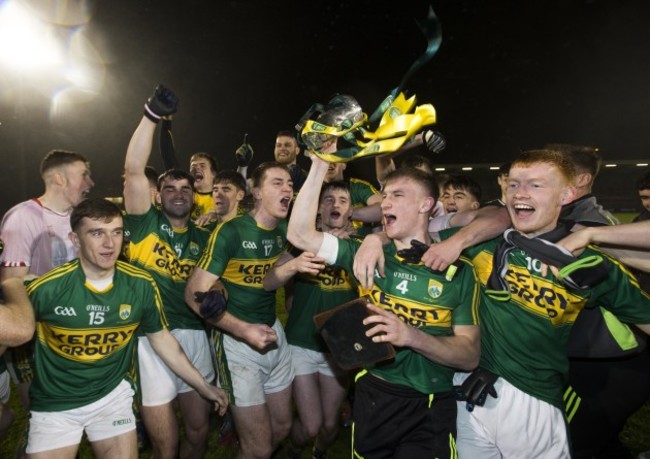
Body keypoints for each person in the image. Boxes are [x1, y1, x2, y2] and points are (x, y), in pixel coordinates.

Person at [445, 150, 650, 458]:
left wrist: (593, 236)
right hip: (472, 393)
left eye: (535, 185)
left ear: (566, 194)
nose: (520, 193)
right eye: (513, 184)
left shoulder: (590, 263)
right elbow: (412, 240)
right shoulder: (481, 245)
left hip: (536, 403)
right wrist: (372, 241)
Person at [287, 147, 480, 458]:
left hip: (428, 402)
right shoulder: (367, 253)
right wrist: (320, 165)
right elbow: (299, 235)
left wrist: (410, 336)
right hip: (373, 393)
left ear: (426, 205)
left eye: (398, 195)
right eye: (385, 195)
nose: (385, 202)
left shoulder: (458, 270)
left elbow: (469, 355)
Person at [23, 198, 227, 458]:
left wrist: (204, 386)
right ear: (75, 240)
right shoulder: (47, 289)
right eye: (97, 233)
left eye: (117, 232)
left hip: (112, 400)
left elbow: (162, 340)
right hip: (55, 407)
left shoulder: (140, 285)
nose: (110, 244)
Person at [123, 84, 216, 459]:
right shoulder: (143, 224)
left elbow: (218, 283)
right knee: (167, 444)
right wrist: (150, 116)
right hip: (150, 339)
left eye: (186, 188)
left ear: (194, 197)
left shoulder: (207, 237)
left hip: (194, 335)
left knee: (197, 432)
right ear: (157, 196)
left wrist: (217, 299)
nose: (179, 192)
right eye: (169, 187)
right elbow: (131, 170)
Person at [185, 161, 295, 459]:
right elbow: (193, 294)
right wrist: (242, 329)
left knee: (282, 428)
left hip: (273, 332)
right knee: (259, 448)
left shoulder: (284, 230)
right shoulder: (230, 232)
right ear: (256, 193)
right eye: (277, 183)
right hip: (236, 343)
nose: (287, 188)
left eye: (289, 183)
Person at [0, 149, 95, 449]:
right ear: (59, 178)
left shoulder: (77, 220)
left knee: (65, 416)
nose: (90, 182)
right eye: (83, 175)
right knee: (41, 415)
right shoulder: (25, 216)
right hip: (34, 337)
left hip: (70, 331)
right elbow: (11, 282)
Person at [264, 180, 357, 459]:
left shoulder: (360, 248)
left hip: (338, 348)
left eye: (342, 200)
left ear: (351, 211)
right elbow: (272, 278)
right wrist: (292, 265)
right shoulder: (299, 244)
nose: (335, 204)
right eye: (328, 199)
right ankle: (293, 448)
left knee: (329, 426)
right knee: (312, 423)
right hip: (302, 342)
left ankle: (319, 452)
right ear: (318, 210)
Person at [189, 152, 219, 223]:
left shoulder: (221, 197)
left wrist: (216, 214)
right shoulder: (186, 196)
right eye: (193, 166)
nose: (197, 168)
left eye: (202, 166)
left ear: (213, 174)